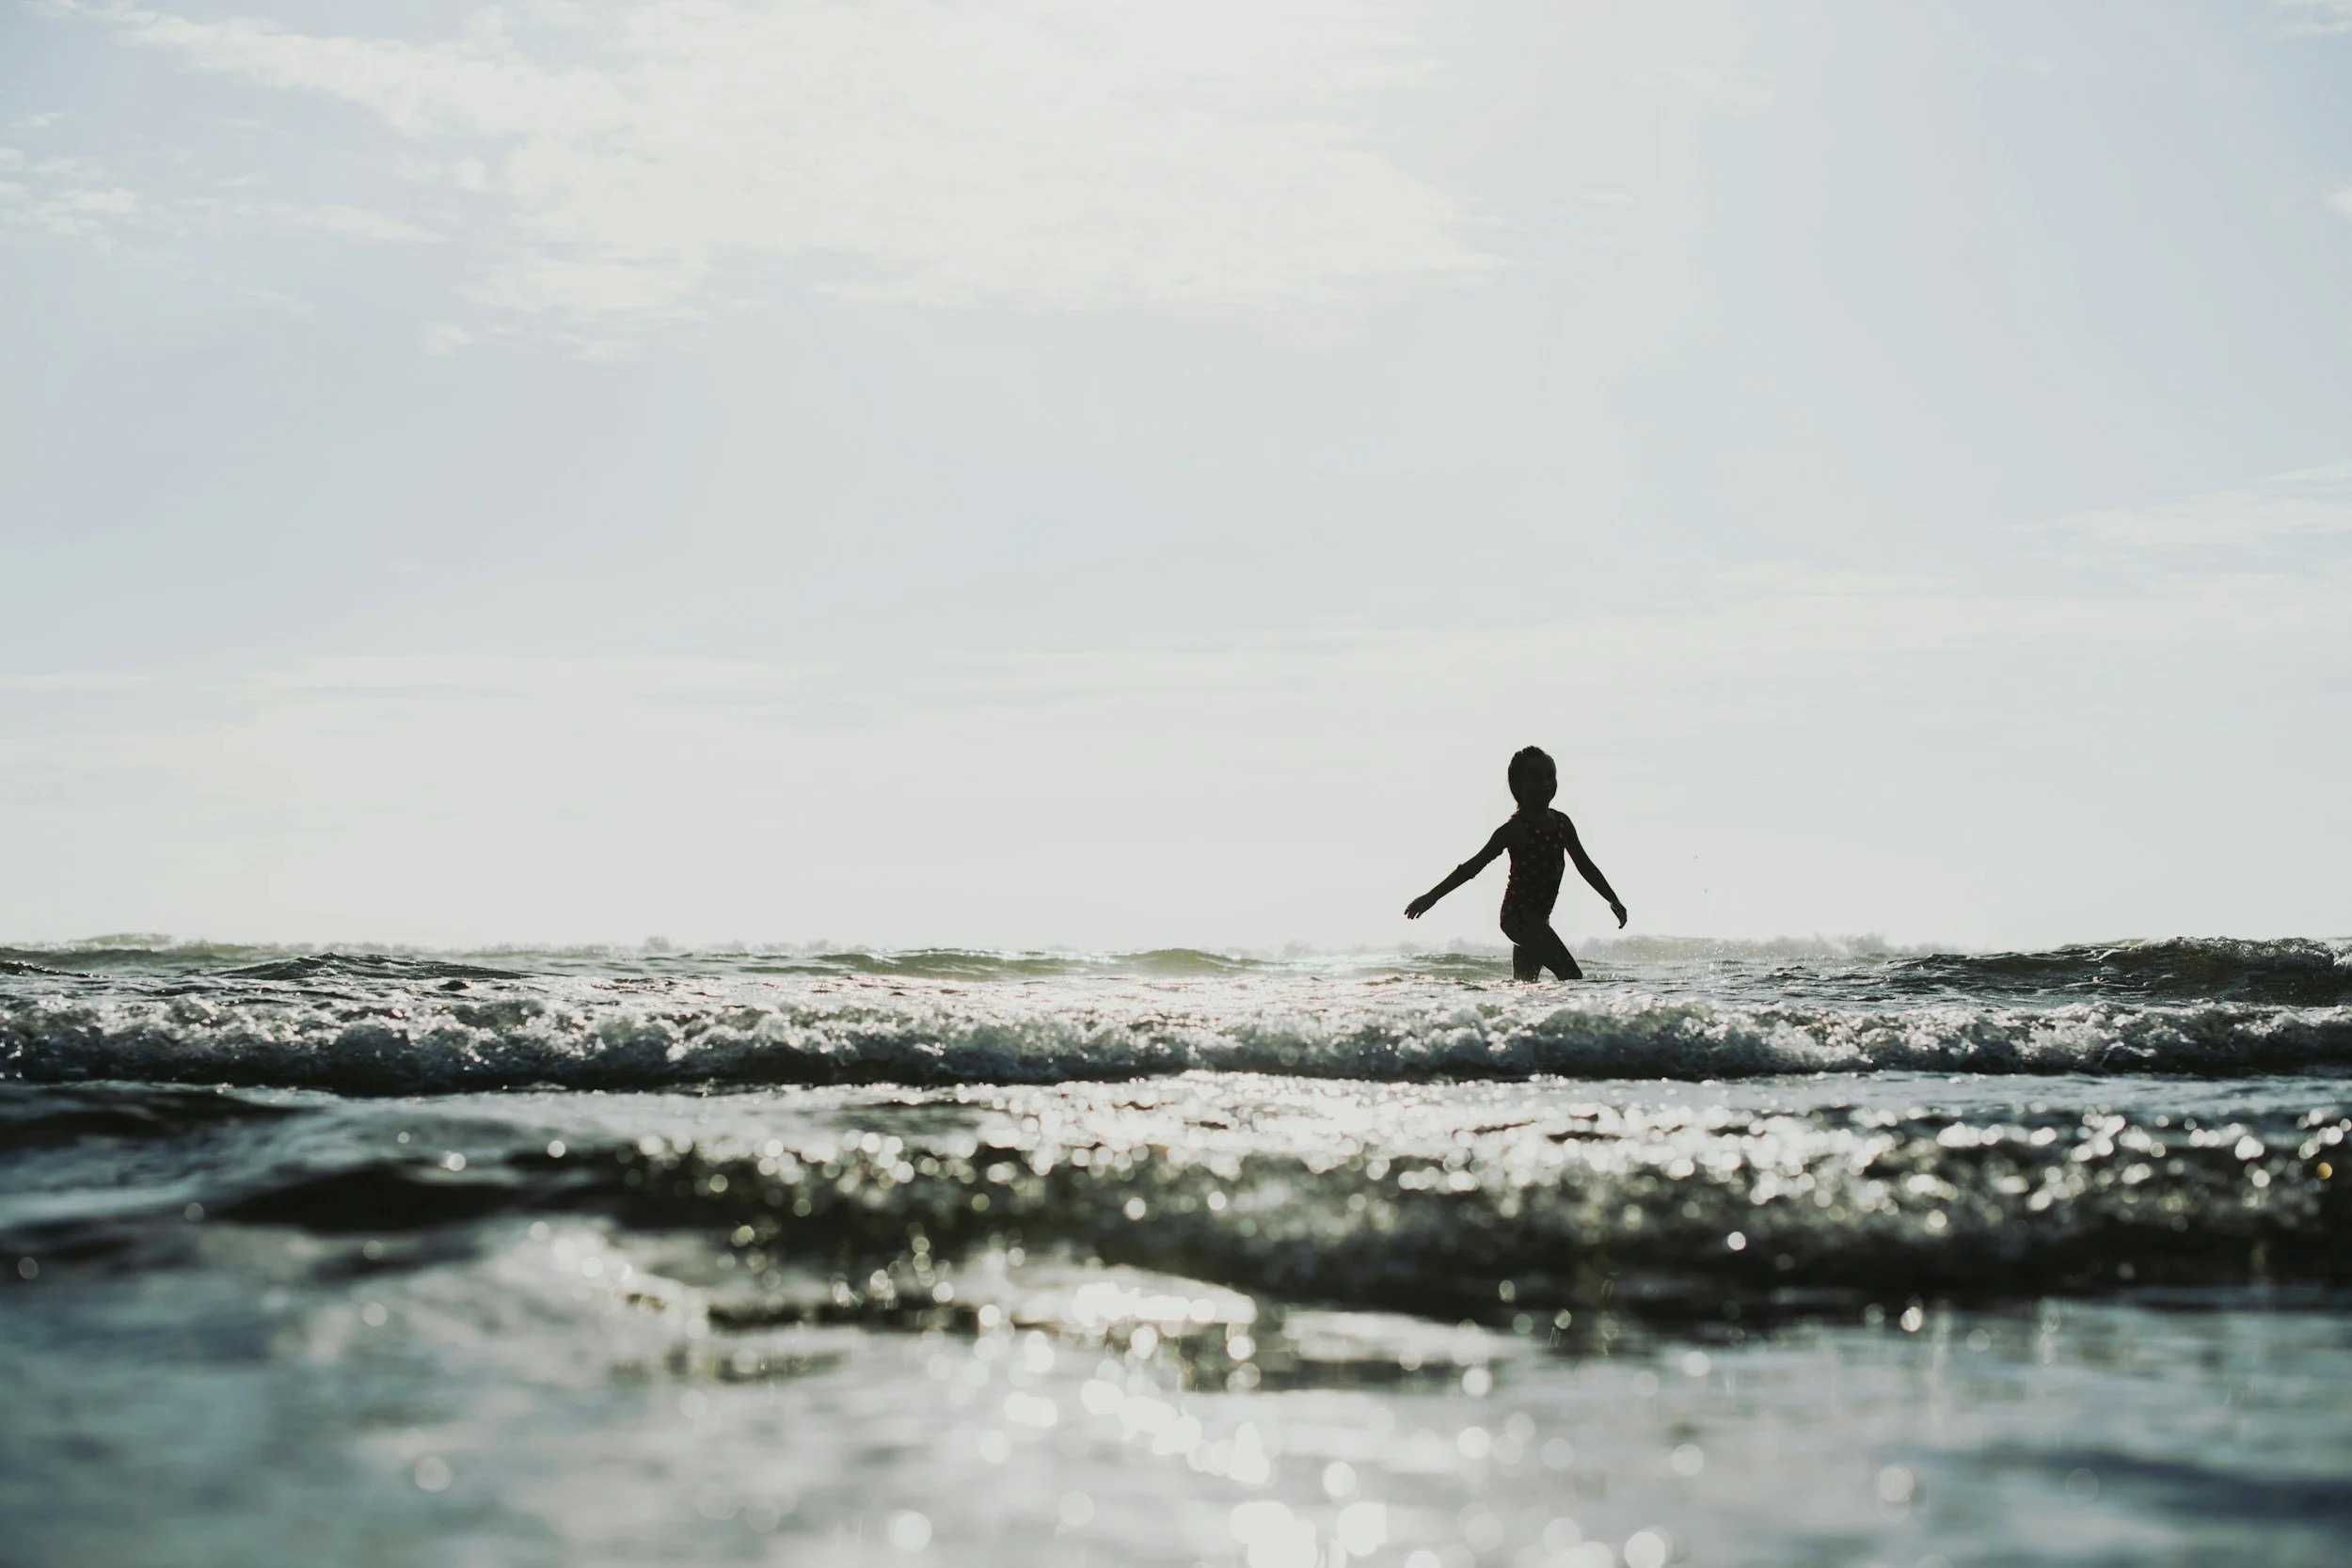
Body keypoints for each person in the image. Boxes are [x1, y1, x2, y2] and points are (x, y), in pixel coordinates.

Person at [1404, 746, 1627, 981]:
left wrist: (1612, 898)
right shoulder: (1514, 829)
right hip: (1518, 918)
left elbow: (1585, 865)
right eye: (1535, 777)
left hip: (1538, 919)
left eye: (1550, 776)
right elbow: (1471, 868)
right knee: (1571, 974)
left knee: (1525, 988)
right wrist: (1432, 896)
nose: (1545, 783)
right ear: (1516, 785)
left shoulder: (1562, 823)